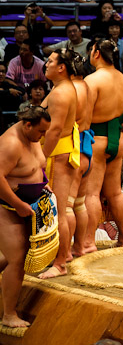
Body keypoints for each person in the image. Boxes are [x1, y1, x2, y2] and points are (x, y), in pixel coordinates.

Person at [0, 106, 52, 327]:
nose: (43, 136)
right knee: (17, 259)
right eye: (41, 131)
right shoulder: (10, 144)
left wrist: (46, 184)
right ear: (27, 125)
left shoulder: (31, 138)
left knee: (10, 256)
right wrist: (18, 203)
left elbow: (38, 167)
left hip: (27, 204)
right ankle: (8, 315)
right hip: (5, 206)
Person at [82, 38, 123, 252]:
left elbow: (85, 118)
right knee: (115, 193)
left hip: (97, 139)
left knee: (92, 194)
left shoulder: (92, 80)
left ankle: (88, 242)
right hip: (118, 140)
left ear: (96, 53)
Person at [38, 48, 80, 279]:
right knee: (58, 209)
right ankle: (59, 256)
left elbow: (54, 130)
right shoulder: (60, 89)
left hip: (57, 153)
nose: (46, 64)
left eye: (51, 61)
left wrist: (40, 159)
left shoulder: (61, 93)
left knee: (59, 210)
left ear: (61, 67)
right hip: (61, 150)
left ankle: (61, 263)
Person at [67, 56, 97, 258]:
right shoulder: (87, 86)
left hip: (71, 147)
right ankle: (81, 246)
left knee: (66, 206)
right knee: (79, 203)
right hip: (86, 146)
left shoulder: (68, 90)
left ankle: (64, 254)